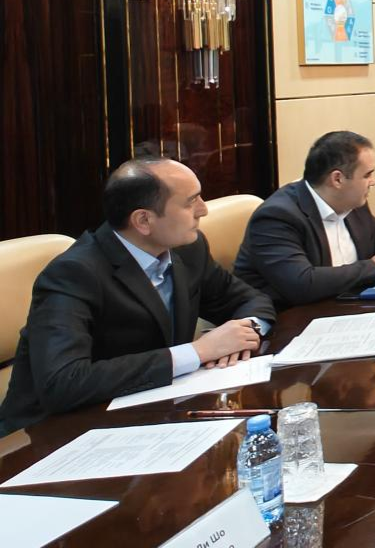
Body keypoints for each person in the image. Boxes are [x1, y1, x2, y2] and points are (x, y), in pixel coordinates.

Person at [0, 159, 275, 434]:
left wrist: (244, 333)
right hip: (50, 435)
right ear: (143, 220)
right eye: (191, 202)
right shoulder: (74, 273)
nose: (203, 210)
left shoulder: (188, 249)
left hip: (148, 410)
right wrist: (198, 351)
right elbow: (63, 383)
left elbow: (249, 300)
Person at [234, 131, 375, 308]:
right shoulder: (277, 216)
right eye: (367, 175)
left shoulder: (352, 202)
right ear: (337, 179)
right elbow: (302, 284)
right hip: (291, 318)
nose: (373, 182)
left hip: (349, 306)